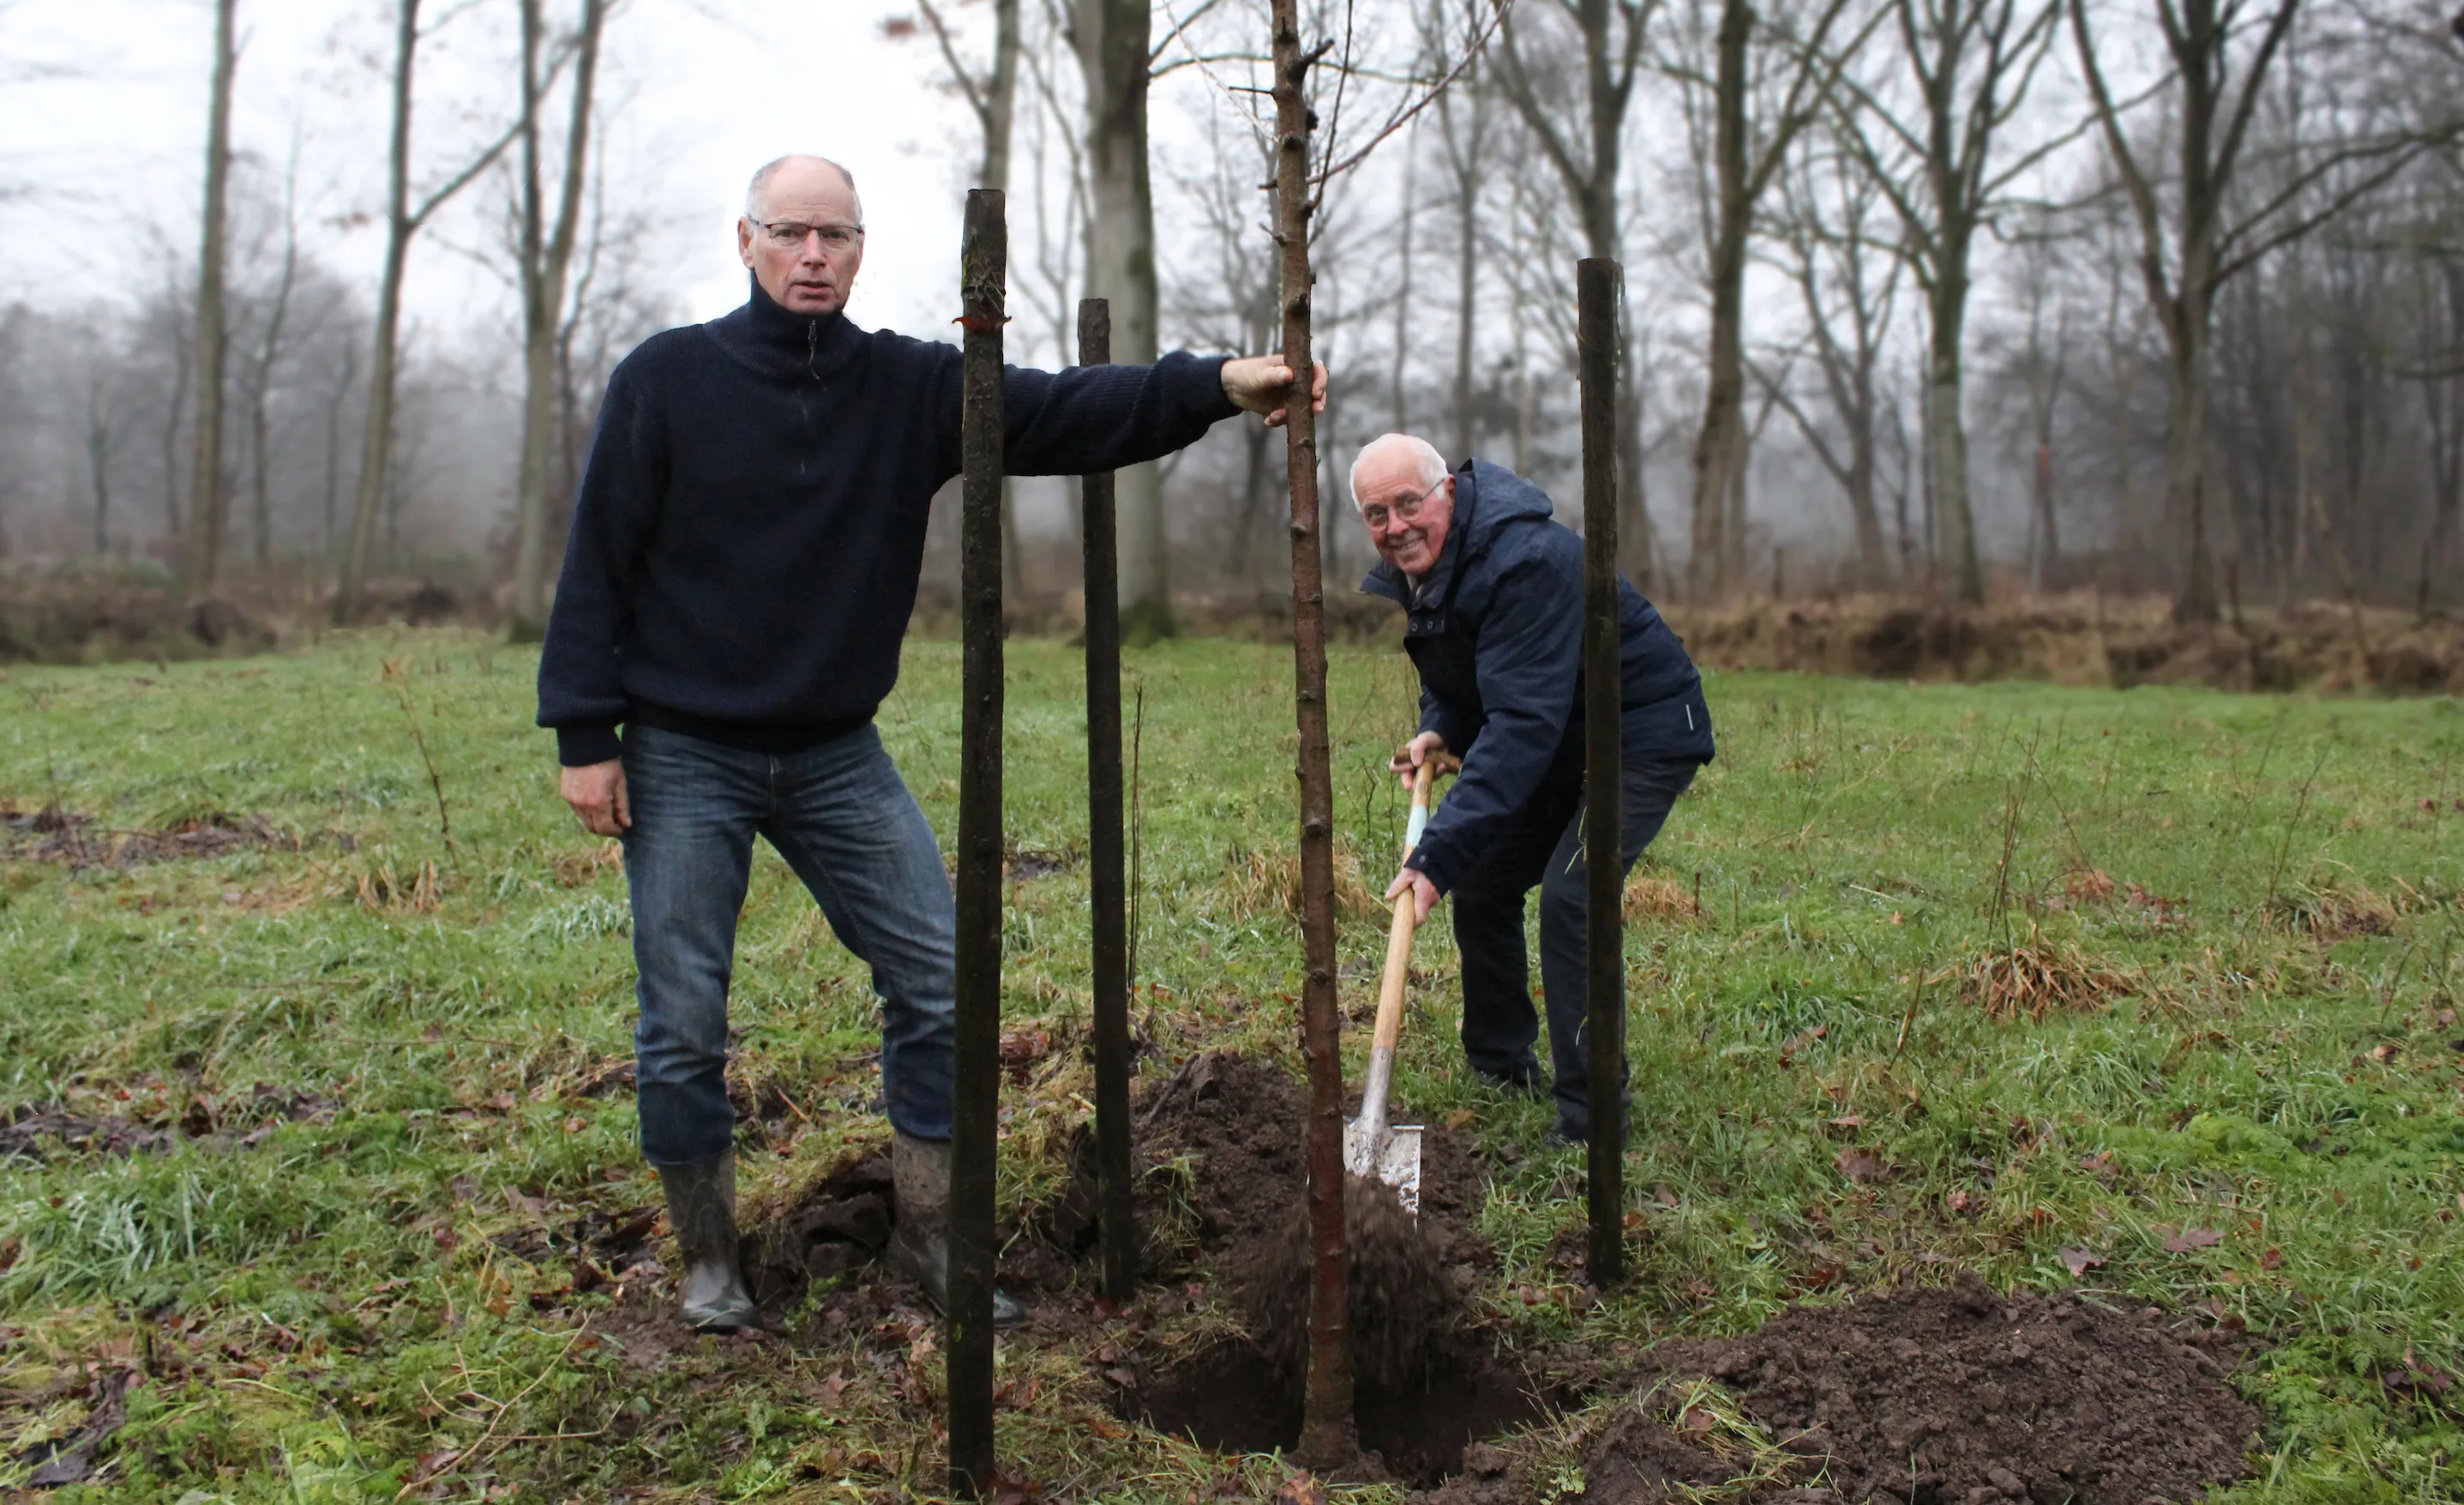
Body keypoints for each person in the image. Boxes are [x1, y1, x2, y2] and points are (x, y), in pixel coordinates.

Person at [538, 155, 1325, 1332]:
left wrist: (1215, 381)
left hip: (833, 749)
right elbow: (597, 556)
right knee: (684, 1015)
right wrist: (584, 733)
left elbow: (1067, 409)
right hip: (682, 746)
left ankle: (929, 1236)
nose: (815, 255)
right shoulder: (667, 380)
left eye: (837, 236)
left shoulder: (908, 387)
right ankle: (709, 1261)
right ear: (744, 239)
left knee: (942, 982)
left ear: (861, 250)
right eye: (792, 233)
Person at [1354, 434, 1711, 1147]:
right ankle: (1499, 1064)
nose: (1394, 526)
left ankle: (1592, 1113)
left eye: (1407, 503)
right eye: (1375, 514)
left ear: (1447, 492)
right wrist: (1437, 726)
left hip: (1636, 733)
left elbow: (1519, 726)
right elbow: (1467, 676)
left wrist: (1435, 855)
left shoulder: (1525, 561)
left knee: (1572, 896)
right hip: (1558, 735)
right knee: (1484, 880)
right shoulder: (1433, 566)